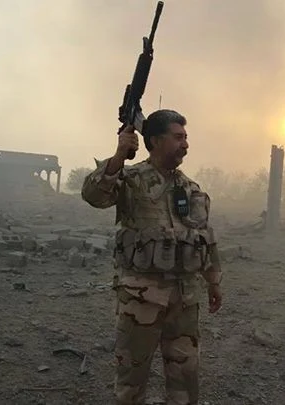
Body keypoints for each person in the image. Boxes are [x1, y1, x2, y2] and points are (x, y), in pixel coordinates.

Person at [81, 109, 223, 405]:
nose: (185, 144)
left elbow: (204, 238)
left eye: (186, 137)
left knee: (185, 377)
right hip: (141, 300)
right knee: (132, 378)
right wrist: (118, 156)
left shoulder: (190, 189)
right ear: (155, 141)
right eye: (178, 137)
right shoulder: (130, 179)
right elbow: (94, 196)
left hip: (184, 300)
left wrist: (213, 281)